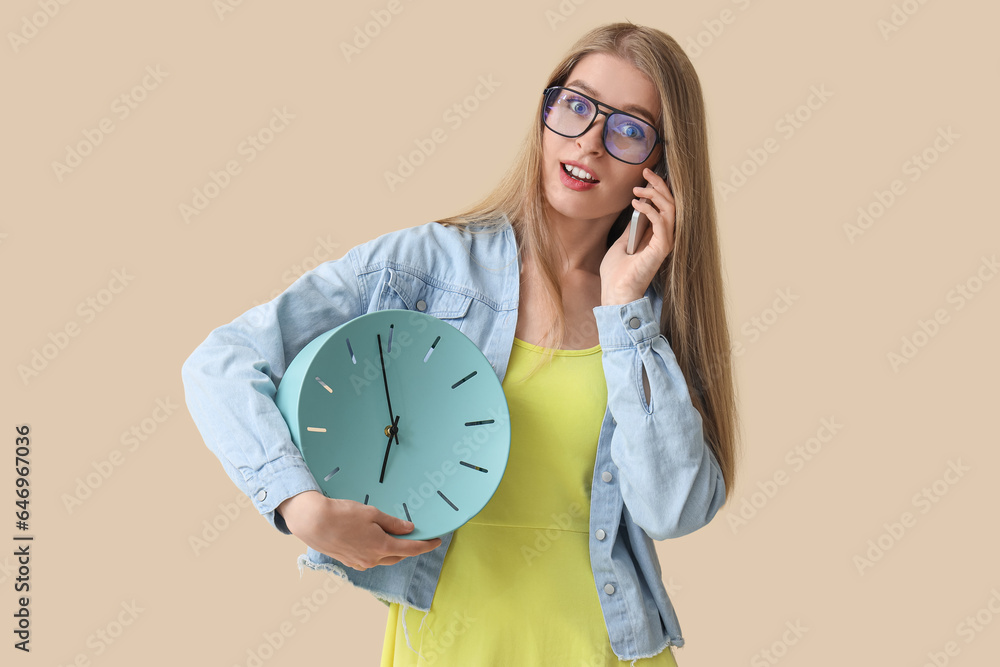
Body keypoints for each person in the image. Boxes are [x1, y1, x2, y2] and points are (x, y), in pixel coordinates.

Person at [182, 20, 739, 667]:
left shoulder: (652, 319)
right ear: (546, 111)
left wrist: (626, 315)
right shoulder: (422, 268)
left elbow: (672, 510)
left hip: (609, 649)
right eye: (577, 106)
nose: (589, 142)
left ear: (661, 164)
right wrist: (298, 506)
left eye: (628, 128)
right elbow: (220, 362)